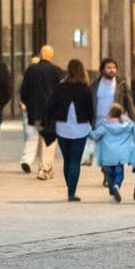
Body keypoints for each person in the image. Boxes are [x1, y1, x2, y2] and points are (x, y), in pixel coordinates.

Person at [45, 59, 95, 202]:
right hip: (81, 128)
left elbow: (51, 106)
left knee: (67, 160)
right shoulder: (85, 88)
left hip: (62, 128)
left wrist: (47, 123)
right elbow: (90, 110)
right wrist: (92, 124)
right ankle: (71, 191)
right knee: (75, 160)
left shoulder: (60, 88)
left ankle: (69, 188)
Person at [19, 45, 63, 179]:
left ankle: (42, 168)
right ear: (51, 55)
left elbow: (24, 90)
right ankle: (45, 169)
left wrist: (27, 104)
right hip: (51, 113)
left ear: (40, 54)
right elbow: (61, 92)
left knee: (38, 139)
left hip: (35, 112)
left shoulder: (31, 70)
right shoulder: (56, 71)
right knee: (48, 141)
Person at [91, 104, 135, 202]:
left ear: (110, 114)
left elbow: (95, 136)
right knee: (119, 174)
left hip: (107, 156)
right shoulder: (125, 126)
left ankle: (112, 193)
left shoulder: (104, 126)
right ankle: (116, 186)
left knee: (109, 175)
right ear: (121, 115)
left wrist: (87, 133)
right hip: (120, 156)